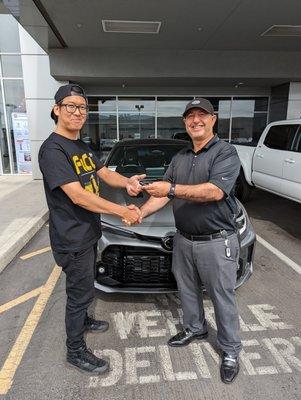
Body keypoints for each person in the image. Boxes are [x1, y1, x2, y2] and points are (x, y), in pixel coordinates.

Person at [38, 84, 144, 374]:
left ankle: (84, 320)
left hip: (88, 233)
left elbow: (104, 173)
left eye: (82, 107)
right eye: (70, 106)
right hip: (71, 238)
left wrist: (128, 183)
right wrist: (123, 210)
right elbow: (77, 195)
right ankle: (75, 351)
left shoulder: (81, 146)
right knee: (78, 294)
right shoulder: (53, 149)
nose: (77, 112)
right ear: (56, 109)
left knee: (84, 288)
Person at [140, 98, 242, 384]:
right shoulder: (181, 157)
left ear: (213, 119)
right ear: (185, 123)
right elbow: (160, 195)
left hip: (215, 241)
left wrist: (171, 188)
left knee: (222, 297)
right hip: (184, 240)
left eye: (202, 115)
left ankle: (231, 350)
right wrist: (138, 213)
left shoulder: (225, 152)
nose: (196, 120)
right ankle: (195, 328)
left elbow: (213, 192)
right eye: (190, 117)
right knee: (186, 290)